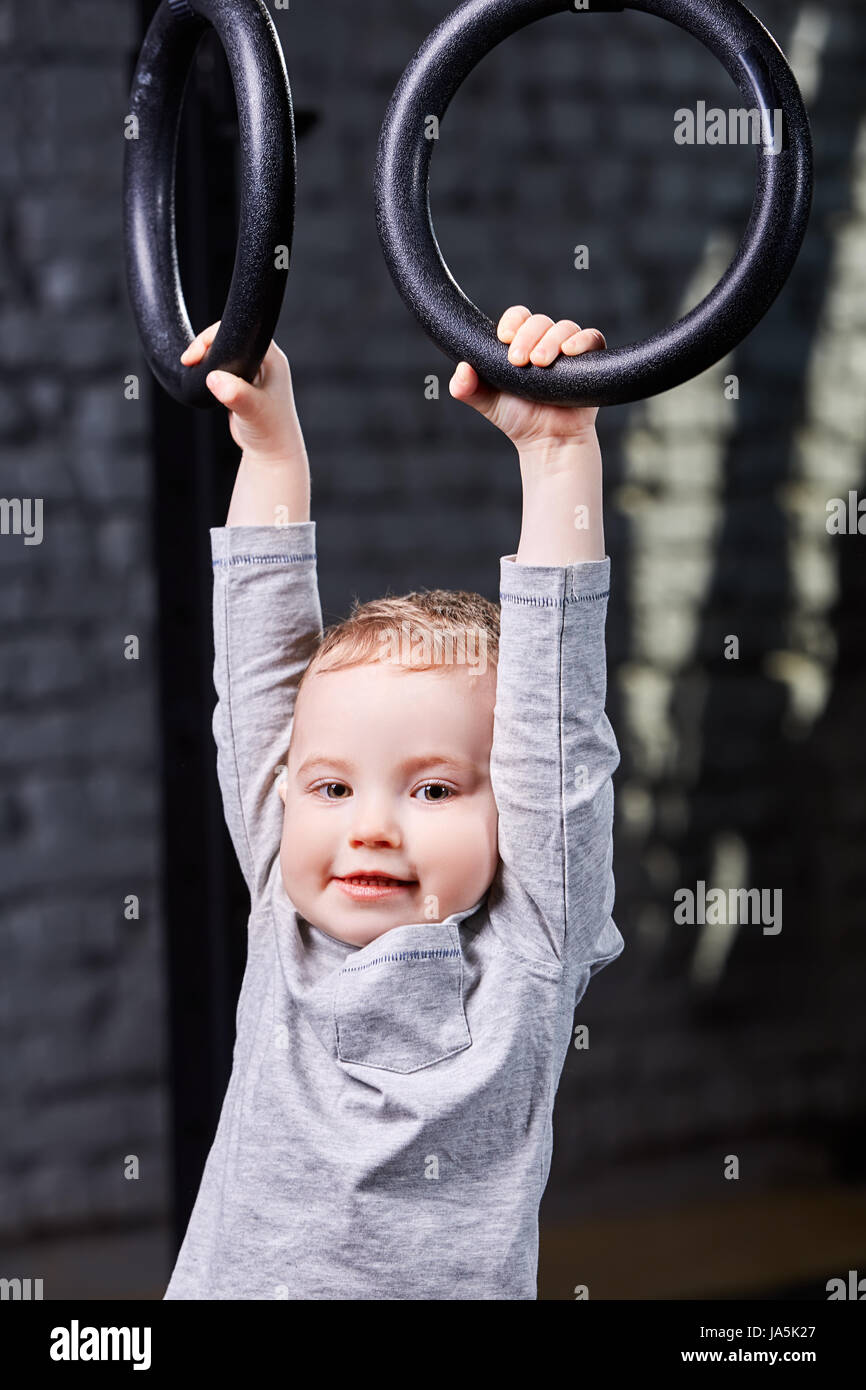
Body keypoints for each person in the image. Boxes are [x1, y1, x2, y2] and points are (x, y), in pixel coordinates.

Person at [163, 307, 624, 1300]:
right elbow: (258, 658)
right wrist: (271, 448)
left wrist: (556, 459)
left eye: (429, 788)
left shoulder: (530, 949)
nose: (369, 823)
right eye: (331, 785)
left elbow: (554, 726)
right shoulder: (285, 898)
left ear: (510, 808)